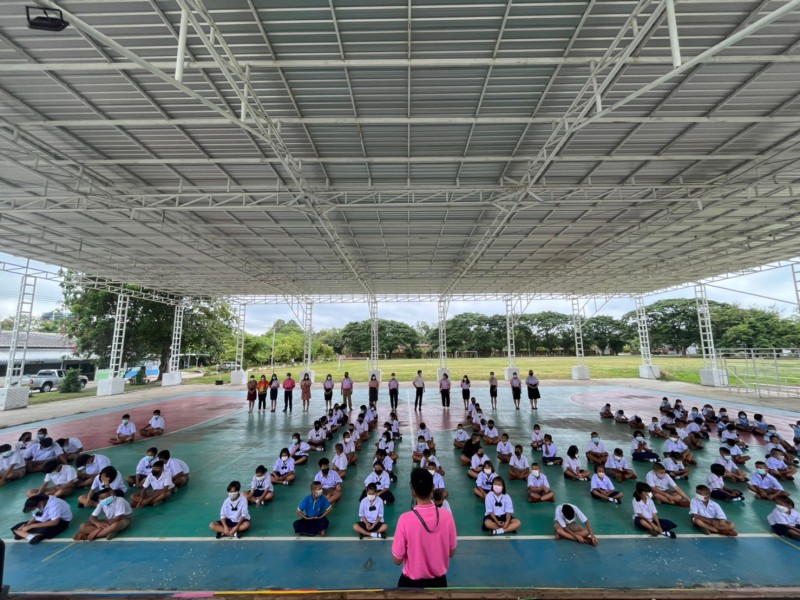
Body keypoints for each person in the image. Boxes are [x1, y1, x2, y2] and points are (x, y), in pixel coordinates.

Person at [392, 468, 457, 588]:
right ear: (433, 487)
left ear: (413, 491)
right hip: (439, 584)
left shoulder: (404, 519)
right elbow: (451, 552)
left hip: (411, 584)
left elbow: (397, 559)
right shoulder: (447, 516)